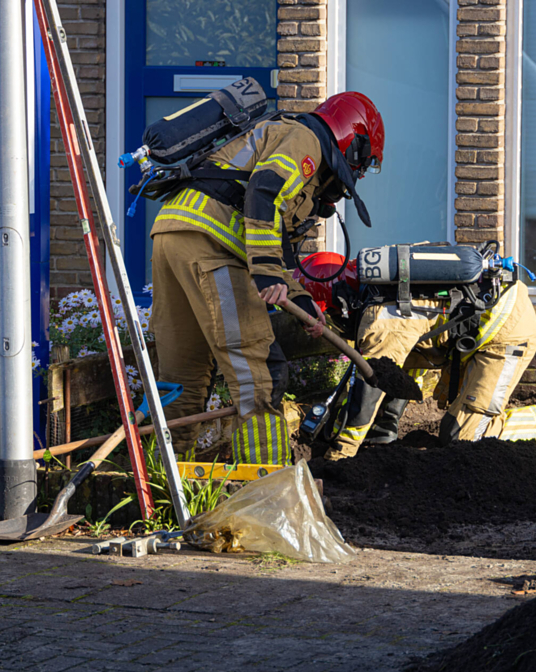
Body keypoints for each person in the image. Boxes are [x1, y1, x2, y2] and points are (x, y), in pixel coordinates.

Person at [149, 93, 384, 465]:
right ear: (352, 143)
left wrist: (305, 304)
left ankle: (164, 485)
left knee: (182, 377)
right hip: (216, 243)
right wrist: (265, 271)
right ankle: (268, 485)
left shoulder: (278, 136)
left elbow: (276, 247)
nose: (353, 177)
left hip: (174, 233)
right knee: (259, 374)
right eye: (363, 165)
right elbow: (265, 190)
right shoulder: (306, 140)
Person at [295, 251, 536, 459]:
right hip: (475, 328)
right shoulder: (378, 279)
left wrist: (341, 455)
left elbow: (367, 392)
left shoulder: (382, 320)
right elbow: (396, 367)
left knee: (461, 437)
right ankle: (382, 431)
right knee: (395, 362)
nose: (332, 323)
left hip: (506, 332)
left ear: (340, 304)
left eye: (329, 315)